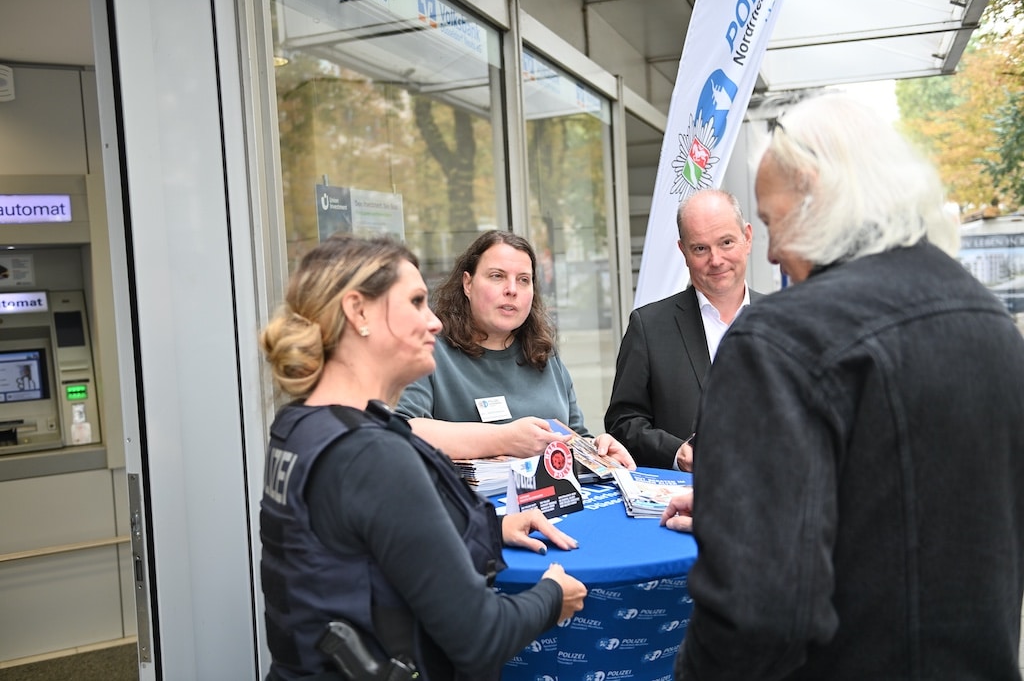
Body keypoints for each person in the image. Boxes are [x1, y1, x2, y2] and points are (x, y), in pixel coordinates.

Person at [663, 94, 1024, 680]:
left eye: (774, 221)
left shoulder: (778, 339)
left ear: (815, 193)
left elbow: (757, 614)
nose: (773, 250)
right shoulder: (988, 320)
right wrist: (750, 509)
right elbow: (927, 508)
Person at [258, 234, 588, 681]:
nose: (433, 321)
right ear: (359, 313)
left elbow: (358, 549)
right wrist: (553, 594)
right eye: (415, 302)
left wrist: (492, 528)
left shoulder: (301, 424)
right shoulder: (373, 455)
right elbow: (481, 637)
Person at [396, 230, 635, 467]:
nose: (512, 289)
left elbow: (574, 435)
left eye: (523, 280)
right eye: (497, 276)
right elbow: (403, 430)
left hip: (553, 501)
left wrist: (598, 451)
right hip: (470, 502)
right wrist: (504, 439)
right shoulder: (430, 349)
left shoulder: (543, 353)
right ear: (467, 284)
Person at [605, 189, 762, 471]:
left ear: (747, 238)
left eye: (726, 242)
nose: (716, 260)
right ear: (683, 251)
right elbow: (622, 422)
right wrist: (675, 453)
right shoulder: (649, 326)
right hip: (686, 503)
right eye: (700, 248)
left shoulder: (784, 321)